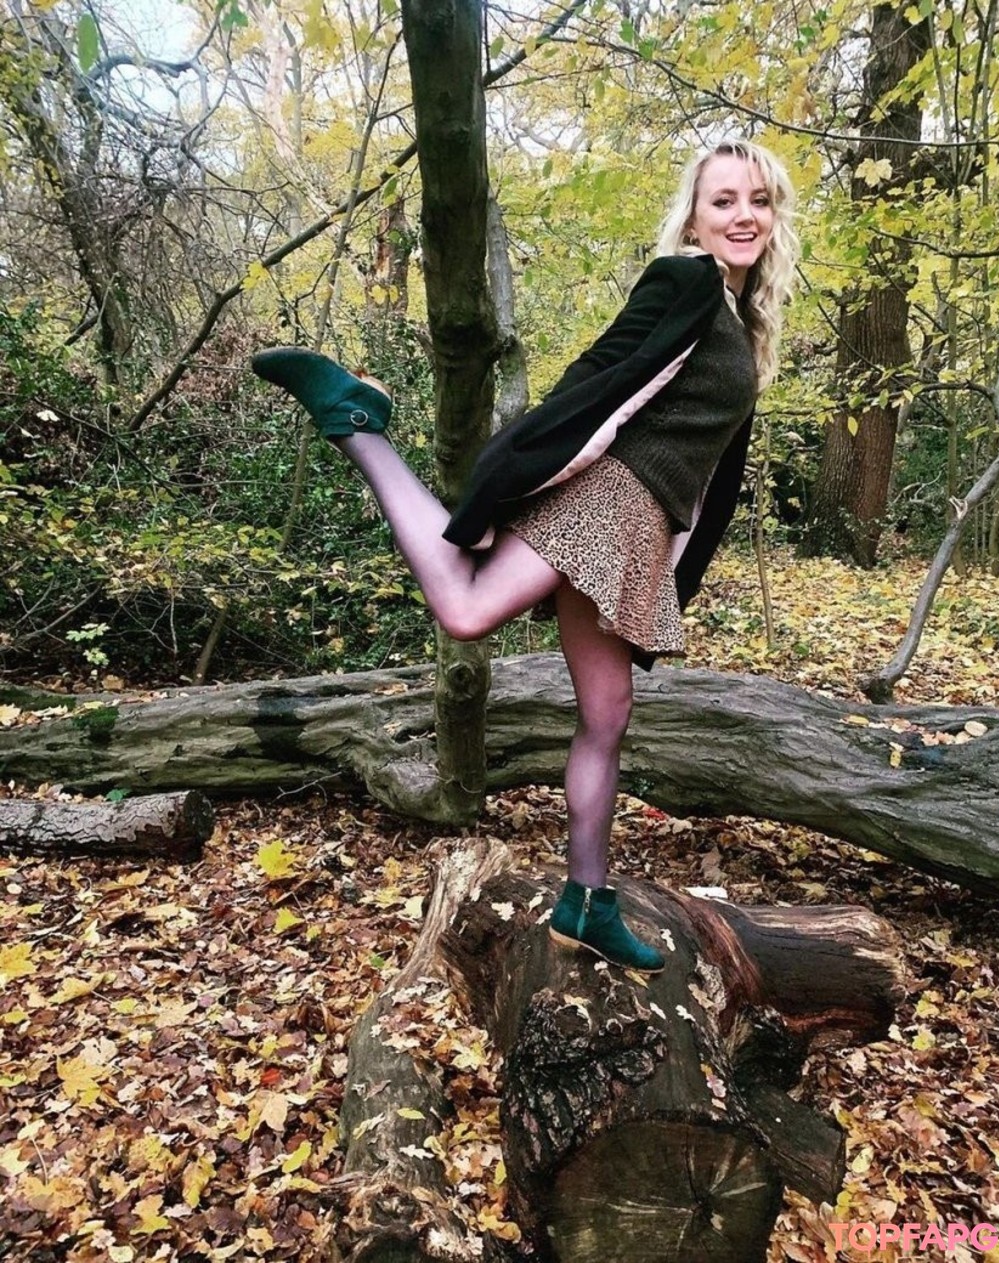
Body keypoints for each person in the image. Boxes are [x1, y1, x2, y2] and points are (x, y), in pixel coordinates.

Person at [252, 139, 798, 974]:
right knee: (466, 608)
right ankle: (357, 425)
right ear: (694, 217)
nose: (743, 215)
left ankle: (587, 901)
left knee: (607, 714)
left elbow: (712, 470)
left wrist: (676, 566)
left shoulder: (737, 319)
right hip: (608, 499)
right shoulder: (685, 280)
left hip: (642, 525)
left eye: (757, 199)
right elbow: (603, 370)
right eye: (723, 200)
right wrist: (526, 459)